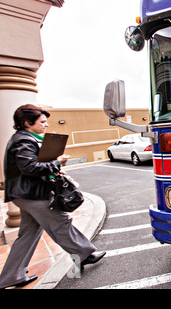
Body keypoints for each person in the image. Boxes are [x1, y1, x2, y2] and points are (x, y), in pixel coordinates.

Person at [0, 104, 105, 289]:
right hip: (31, 194)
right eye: (42, 122)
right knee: (60, 221)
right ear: (27, 123)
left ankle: (11, 277)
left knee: (28, 235)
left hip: (24, 194)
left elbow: (31, 166)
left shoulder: (25, 138)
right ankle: (84, 254)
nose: (46, 125)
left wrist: (53, 166)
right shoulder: (23, 141)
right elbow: (29, 168)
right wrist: (56, 163)